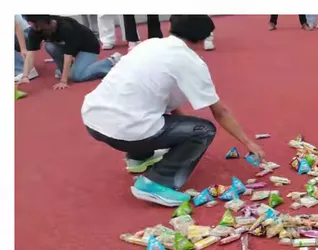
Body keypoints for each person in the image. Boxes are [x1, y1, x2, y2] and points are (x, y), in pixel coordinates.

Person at [81, 15, 264, 207]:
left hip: (93, 120)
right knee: (204, 130)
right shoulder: (191, 62)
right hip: (127, 130)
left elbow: (165, 96)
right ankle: (156, 182)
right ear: (203, 39)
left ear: (171, 27)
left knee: (144, 109)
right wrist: (248, 143)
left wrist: (180, 132)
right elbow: (221, 112)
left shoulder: (148, 44)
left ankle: (138, 158)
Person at [20, 15, 119, 89]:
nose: (31, 25)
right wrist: (25, 76)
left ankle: (111, 61)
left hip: (88, 47)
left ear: (42, 21)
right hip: (70, 48)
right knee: (50, 46)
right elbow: (30, 54)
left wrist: (63, 81)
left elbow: (68, 55)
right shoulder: (35, 31)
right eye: (29, 22)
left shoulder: (65, 27)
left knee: (76, 76)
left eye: (33, 22)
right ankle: (67, 71)